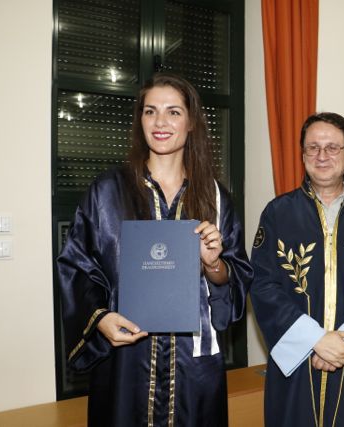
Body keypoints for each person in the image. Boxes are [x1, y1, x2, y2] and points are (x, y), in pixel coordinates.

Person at [57, 73, 253, 427]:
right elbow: (77, 267)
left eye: (173, 112)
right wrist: (100, 318)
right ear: (141, 120)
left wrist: (213, 265)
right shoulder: (107, 192)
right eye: (150, 111)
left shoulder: (215, 197)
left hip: (193, 366)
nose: (160, 122)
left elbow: (235, 277)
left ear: (191, 122)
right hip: (127, 360)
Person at [250, 112, 344, 427]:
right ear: (302, 153)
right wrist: (315, 340)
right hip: (298, 364)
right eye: (313, 147)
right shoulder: (277, 213)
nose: (322, 156)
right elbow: (263, 285)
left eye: (333, 147)